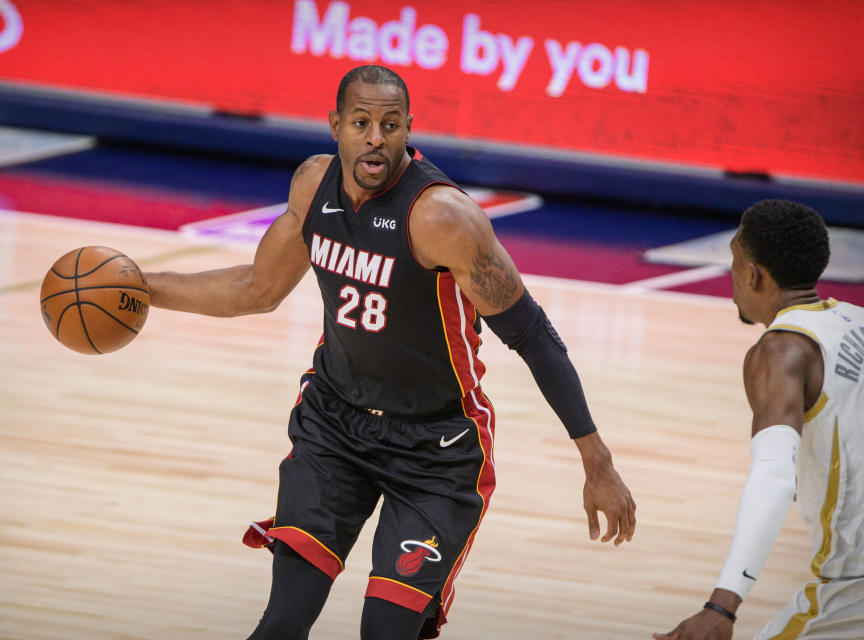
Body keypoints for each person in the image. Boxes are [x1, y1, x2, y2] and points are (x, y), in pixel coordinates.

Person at [144, 64, 636, 640]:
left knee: (386, 632)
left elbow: (532, 335)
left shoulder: (441, 217)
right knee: (280, 624)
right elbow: (257, 288)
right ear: (336, 127)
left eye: (390, 124)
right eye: (361, 122)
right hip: (334, 427)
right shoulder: (313, 185)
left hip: (436, 449)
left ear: (407, 130)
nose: (375, 136)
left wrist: (596, 460)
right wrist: (142, 286)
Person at [654, 200, 864, 640]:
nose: (730, 281)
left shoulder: (781, 349)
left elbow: (774, 476)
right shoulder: (857, 322)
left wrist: (722, 606)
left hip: (853, 591)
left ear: (753, 273)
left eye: (733, 264)